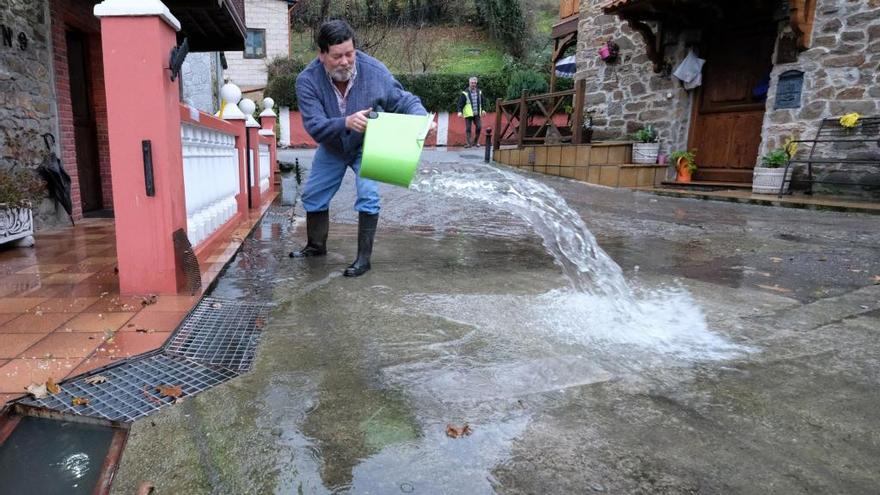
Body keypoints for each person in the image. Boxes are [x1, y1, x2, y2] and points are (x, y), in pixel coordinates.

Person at [290, 19, 429, 277]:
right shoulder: (306, 81)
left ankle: (363, 260)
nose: (345, 61)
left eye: (350, 54)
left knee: (368, 195)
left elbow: (405, 100)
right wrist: (346, 122)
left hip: (367, 144)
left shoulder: (375, 71)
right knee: (313, 195)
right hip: (332, 145)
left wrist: (421, 120)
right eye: (337, 56)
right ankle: (316, 246)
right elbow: (315, 126)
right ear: (321, 55)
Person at [456, 76, 485, 148]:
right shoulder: (465, 93)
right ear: (469, 83)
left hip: (477, 113)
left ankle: (475, 142)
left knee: (479, 127)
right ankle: (469, 143)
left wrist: (483, 110)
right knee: (468, 129)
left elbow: (483, 102)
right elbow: (460, 103)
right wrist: (459, 111)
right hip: (468, 114)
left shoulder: (479, 92)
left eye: (475, 83)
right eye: (472, 83)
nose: (473, 84)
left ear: (476, 83)